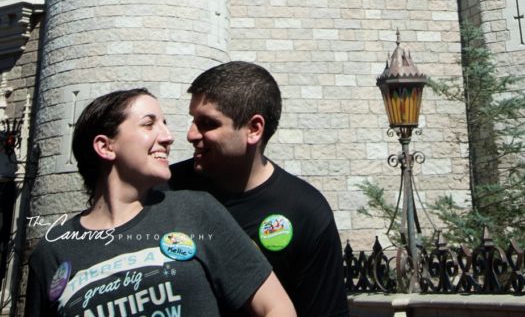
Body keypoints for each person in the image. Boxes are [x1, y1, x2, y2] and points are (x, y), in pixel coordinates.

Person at [26, 88, 296, 317]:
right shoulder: (52, 252)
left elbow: (277, 307)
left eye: (164, 123)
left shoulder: (197, 212)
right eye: (149, 123)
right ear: (105, 146)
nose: (168, 137)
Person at [171, 62, 349, 317]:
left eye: (207, 123)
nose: (190, 134)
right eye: (193, 120)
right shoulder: (164, 190)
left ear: (254, 129)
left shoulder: (306, 212)